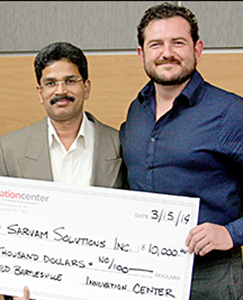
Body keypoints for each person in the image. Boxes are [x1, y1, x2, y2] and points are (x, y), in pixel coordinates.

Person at [120, 2, 243, 299]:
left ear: (197, 49)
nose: (167, 53)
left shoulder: (230, 112)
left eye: (178, 42)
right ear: (142, 54)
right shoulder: (136, 112)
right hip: (144, 272)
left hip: (211, 276)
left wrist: (231, 233)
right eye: (156, 44)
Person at [0, 41, 127, 300]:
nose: (61, 90)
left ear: (86, 87)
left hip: (104, 290)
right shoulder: (8, 149)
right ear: (39, 92)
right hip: (35, 293)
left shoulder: (120, 145)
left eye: (70, 80)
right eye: (51, 83)